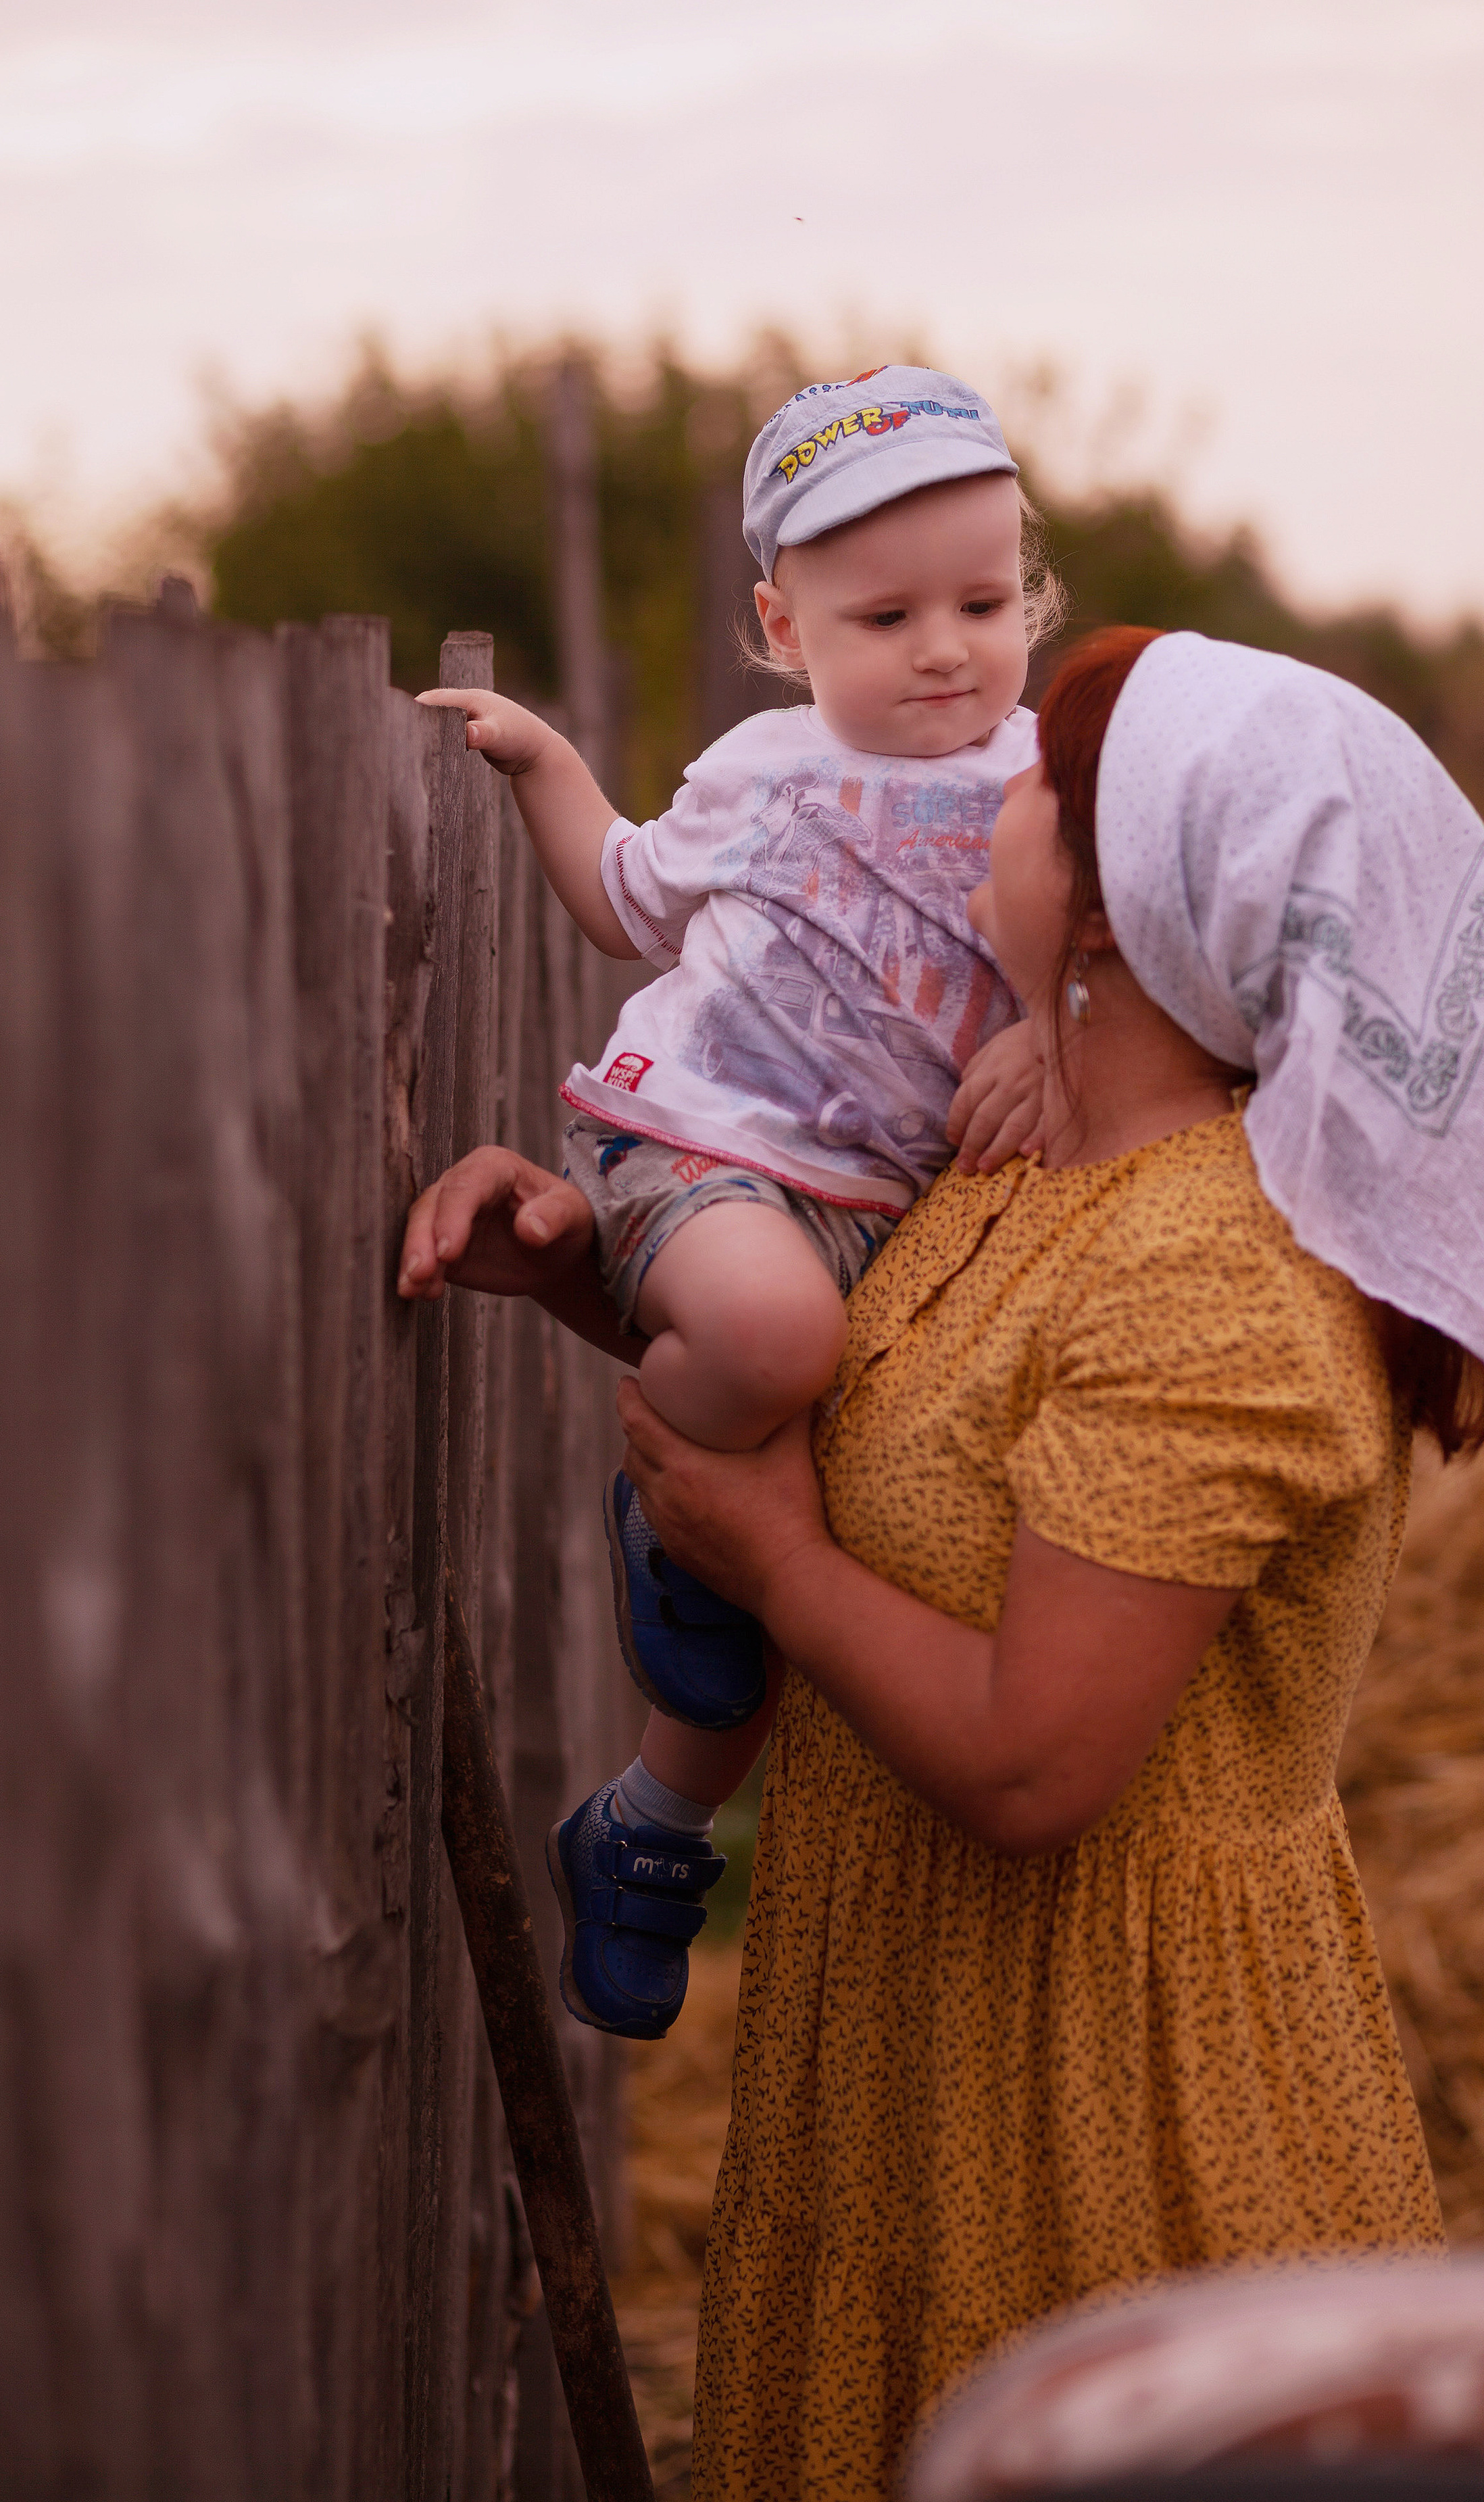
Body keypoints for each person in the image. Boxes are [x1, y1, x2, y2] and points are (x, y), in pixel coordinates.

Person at [400, 623, 1484, 2501]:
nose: (986, 798)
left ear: (1108, 909)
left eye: (1034, 786)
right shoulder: (1025, 1161)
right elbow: (895, 1410)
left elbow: (1036, 1764)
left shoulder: (1213, 1282)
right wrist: (579, 1273)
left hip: (1108, 2092)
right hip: (910, 2033)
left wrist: (767, 1563)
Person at [414, 366, 1058, 2039]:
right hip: (704, 1151)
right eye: (886, 613)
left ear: (1030, 595)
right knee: (769, 1353)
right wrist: (547, 763)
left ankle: (649, 1823)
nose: (943, 647)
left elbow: (1134, 964)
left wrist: (1055, 1047)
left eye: (984, 604)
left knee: (817, 1541)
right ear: (783, 624)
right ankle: (670, 1490)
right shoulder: (764, 772)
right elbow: (625, 899)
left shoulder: (1056, 786)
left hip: (883, 1208)